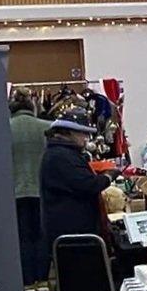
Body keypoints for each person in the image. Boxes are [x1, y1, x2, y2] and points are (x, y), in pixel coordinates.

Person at [39, 116, 111, 282]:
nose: (86, 139)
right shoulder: (62, 156)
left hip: (70, 229)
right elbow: (87, 184)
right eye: (83, 134)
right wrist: (108, 177)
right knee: (82, 282)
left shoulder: (59, 153)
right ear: (69, 133)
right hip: (73, 233)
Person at [8, 95, 50, 291]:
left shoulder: (4, 128)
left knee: (23, 237)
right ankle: (42, 280)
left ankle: (27, 282)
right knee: (41, 235)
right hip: (42, 190)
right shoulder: (47, 127)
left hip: (16, 191)